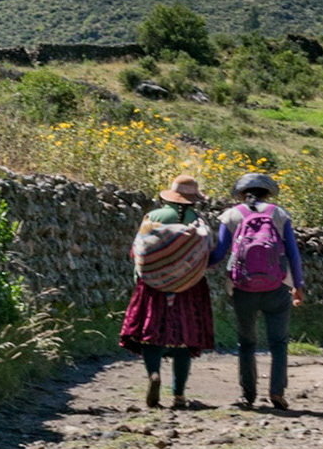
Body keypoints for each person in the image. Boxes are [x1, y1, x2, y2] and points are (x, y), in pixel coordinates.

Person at [120, 174, 216, 409]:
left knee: (151, 331)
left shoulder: (153, 217)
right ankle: (179, 394)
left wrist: (141, 278)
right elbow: (207, 254)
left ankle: (153, 374)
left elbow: (138, 251)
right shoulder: (199, 223)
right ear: (193, 199)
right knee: (184, 338)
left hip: (153, 285)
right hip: (189, 286)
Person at [212, 171, 306, 409]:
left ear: (242, 193)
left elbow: (219, 253)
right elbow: (293, 253)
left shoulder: (231, 215)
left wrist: (192, 265)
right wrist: (299, 285)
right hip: (277, 287)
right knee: (279, 343)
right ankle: (277, 391)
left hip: (242, 288)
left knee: (246, 343)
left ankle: (248, 395)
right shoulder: (279, 214)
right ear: (268, 193)